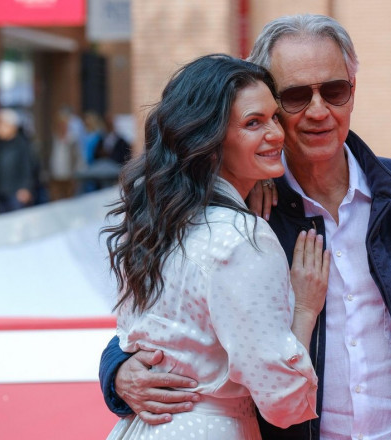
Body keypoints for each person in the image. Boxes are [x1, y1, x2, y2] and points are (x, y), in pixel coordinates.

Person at [99, 14, 391, 440]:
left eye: (333, 91)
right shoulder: (248, 223)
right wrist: (117, 370)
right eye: (295, 96)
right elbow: (168, 325)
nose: (318, 111)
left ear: (353, 90)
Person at [102, 53, 331, 439]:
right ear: (209, 140)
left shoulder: (157, 222)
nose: (276, 133)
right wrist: (305, 308)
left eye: (274, 117)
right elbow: (284, 400)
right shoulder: (240, 237)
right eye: (253, 123)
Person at [0, 108, 35, 214]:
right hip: (0, 191)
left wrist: (25, 187)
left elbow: (28, 167)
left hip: (16, 193)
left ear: (11, 126)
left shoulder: (22, 144)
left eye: (1, 124)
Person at [47, 110, 83, 201]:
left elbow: (77, 157)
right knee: (55, 200)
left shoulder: (72, 140)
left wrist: (76, 175)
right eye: (60, 124)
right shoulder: (53, 138)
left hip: (69, 176)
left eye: (64, 125)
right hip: (55, 176)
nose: (62, 127)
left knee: (68, 201)